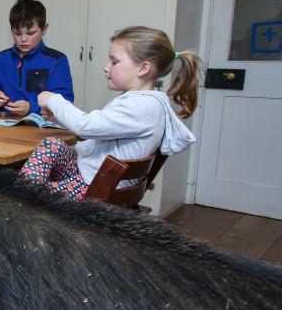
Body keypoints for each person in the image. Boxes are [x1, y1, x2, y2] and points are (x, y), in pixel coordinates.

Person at [19, 26, 199, 200]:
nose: (106, 67)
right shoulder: (143, 101)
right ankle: (23, 196)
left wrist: (54, 100)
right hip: (91, 175)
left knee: (29, 196)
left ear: (143, 68)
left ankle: (22, 201)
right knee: (51, 145)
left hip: (97, 188)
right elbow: (100, 127)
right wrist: (57, 116)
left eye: (114, 61)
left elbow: (85, 126)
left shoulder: (142, 106)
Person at [0, 0, 74, 117]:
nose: (23, 39)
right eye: (17, 33)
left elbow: (64, 102)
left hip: (40, 128)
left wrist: (31, 108)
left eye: (30, 33)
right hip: (4, 125)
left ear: (44, 29)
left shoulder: (57, 61)